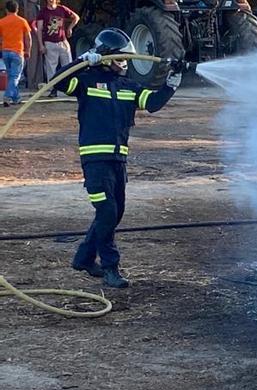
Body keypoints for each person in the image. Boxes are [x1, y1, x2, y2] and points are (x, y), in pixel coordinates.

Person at [53, 27, 181, 288]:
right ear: (106, 57)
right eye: (120, 59)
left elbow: (153, 103)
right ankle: (111, 268)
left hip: (118, 161)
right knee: (107, 211)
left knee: (114, 212)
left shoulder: (128, 86)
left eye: (127, 59)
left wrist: (171, 82)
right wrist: (81, 61)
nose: (124, 64)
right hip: (95, 162)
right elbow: (59, 82)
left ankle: (84, 258)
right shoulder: (86, 82)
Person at [35, 0, 78, 96]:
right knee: (51, 67)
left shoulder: (62, 9)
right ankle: (53, 89)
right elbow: (39, 29)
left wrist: (70, 28)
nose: (51, 0)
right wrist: (41, 45)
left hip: (62, 41)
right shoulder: (43, 12)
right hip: (49, 42)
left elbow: (76, 17)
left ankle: (69, 87)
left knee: (68, 65)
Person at [0, 0, 32, 107]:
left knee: (11, 76)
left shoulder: (2, 22)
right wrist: (28, 50)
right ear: (17, 9)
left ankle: (16, 97)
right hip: (17, 51)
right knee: (15, 76)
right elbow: (28, 38)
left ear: (6, 10)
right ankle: (8, 96)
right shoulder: (22, 21)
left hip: (5, 51)